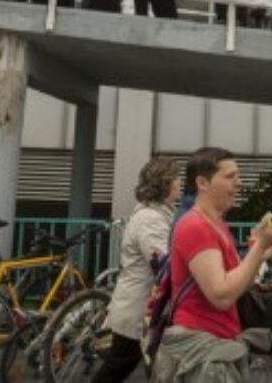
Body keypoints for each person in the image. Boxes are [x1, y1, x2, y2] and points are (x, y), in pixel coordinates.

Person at [151, 148, 272, 381]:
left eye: (238, 176)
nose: (239, 183)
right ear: (202, 183)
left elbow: (235, 286)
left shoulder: (217, 224)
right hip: (200, 356)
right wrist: (258, 248)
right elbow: (221, 295)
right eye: (230, 177)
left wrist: (260, 252)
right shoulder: (195, 226)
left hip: (217, 348)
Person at [93, 158, 181, 382]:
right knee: (117, 368)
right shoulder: (150, 219)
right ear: (165, 184)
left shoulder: (158, 214)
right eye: (176, 178)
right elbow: (162, 263)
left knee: (124, 367)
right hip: (138, 310)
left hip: (142, 309)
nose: (180, 183)